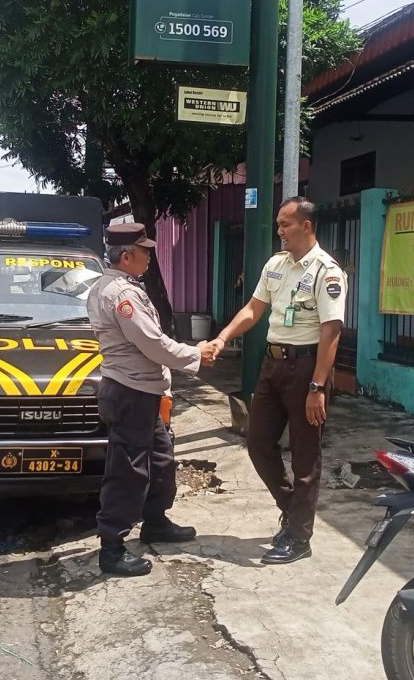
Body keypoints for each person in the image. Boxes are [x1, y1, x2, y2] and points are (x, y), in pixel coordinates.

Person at [205, 197, 347, 565]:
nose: (280, 231)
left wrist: (318, 387)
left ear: (307, 225)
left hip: (306, 370)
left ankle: (299, 538)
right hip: (273, 365)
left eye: (286, 224)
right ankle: (293, 509)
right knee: (257, 443)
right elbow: (253, 309)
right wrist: (223, 337)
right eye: (279, 224)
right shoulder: (276, 265)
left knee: (305, 456)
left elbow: (331, 333)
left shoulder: (327, 272)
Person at [87, 222, 216, 576]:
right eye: (144, 252)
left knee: (160, 459)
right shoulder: (121, 294)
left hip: (142, 390)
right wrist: (196, 355)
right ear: (126, 256)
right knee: (128, 471)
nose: (148, 258)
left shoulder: (120, 286)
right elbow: (153, 344)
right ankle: (111, 548)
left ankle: (156, 520)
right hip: (130, 392)